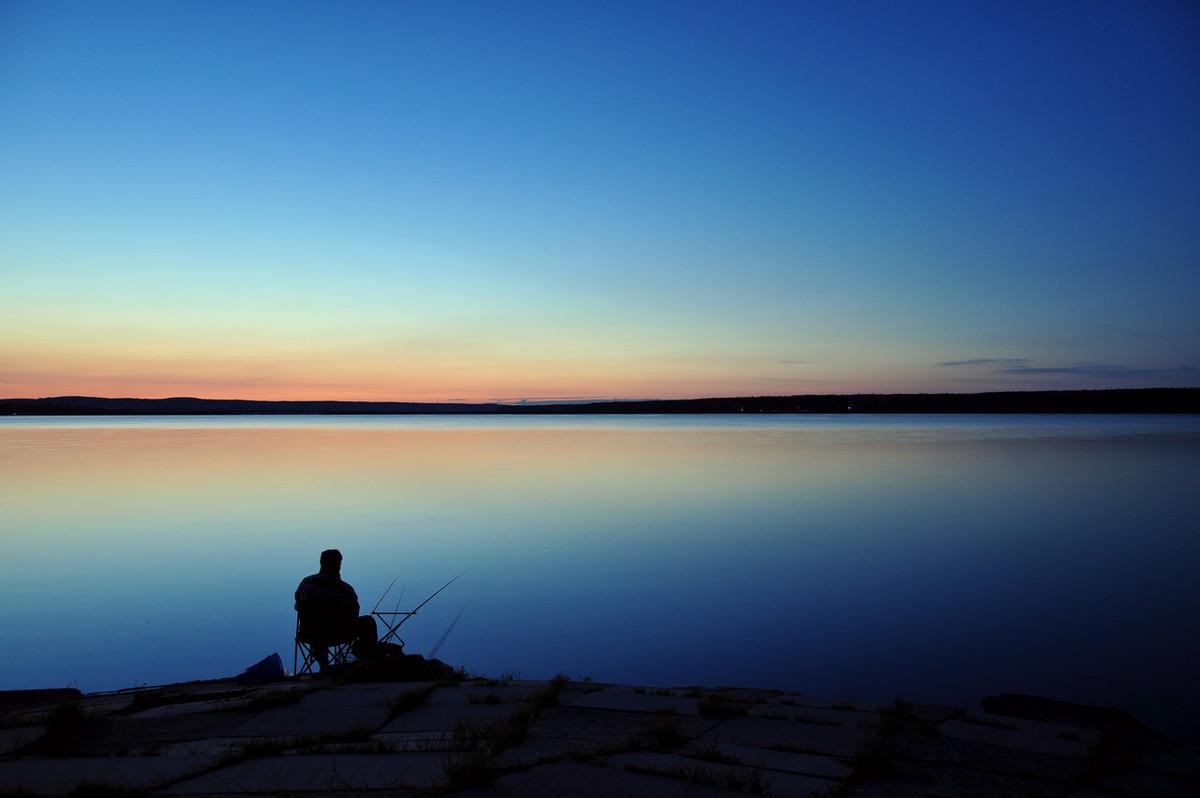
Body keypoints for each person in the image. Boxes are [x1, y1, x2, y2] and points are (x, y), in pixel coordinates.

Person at [295, 549, 377, 669]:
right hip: (338, 633)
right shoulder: (345, 589)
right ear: (338, 565)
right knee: (368, 622)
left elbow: (298, 606)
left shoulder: (306, 583)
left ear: (321, 563)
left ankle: (323, 664)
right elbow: (354, 612)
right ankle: (362, 658)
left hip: (309, 633)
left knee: (317, 626)